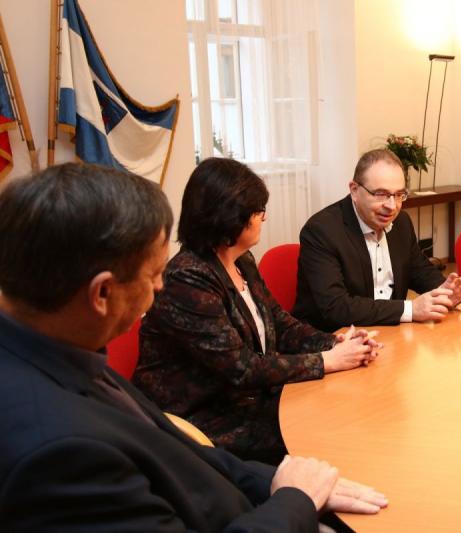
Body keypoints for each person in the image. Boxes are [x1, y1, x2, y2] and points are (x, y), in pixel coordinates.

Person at [0, 163, 387, 530]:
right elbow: (237, 374)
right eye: (153, 274)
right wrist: (295, 499)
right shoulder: (59, 451)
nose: (160, 287)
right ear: (101, 293)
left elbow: (187, 454)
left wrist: (279, 481)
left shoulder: (66, 351)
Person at [134, 158, 381, 465]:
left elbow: (280, 322)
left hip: (248, 401)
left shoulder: (241, 259)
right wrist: (326, 361)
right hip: (204, 419)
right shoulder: (188, 278)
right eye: (257, 210)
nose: (264, 217)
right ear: (230, 217)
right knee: (326, 428)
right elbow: (242, 368)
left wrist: (335, 343)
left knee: (342, 407)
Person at [293, 149, 461, 331]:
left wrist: (446, 290)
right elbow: (336, 307)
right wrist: (410, 309)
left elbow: (419, 271)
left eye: (399, 195)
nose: (392, 206)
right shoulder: (322, 231)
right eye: (381, 194)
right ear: (354, 190)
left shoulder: (401, 222)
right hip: (334, 338)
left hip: (391, 332)